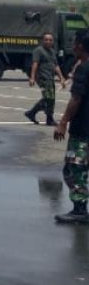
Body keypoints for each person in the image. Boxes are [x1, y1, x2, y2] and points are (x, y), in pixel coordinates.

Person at [54, 30, 89, 224]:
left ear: (81, 46)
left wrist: (62, 122)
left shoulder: (83, 68)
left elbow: (76, 99)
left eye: (75, 43)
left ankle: (79, 209)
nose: (73, 46)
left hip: (83, 131)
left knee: (73, 169)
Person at [27, 32, 67, 126]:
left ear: (53, 41)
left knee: (51, 98)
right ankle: (35, 114)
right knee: (49, 97)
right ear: (42, 40)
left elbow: (56, 65)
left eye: (50, 40)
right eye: (46, 39)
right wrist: (32, 78)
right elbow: (35, 64)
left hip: (50, 78)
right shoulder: (38, 50)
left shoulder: (52, 51)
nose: (48, 41)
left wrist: (61, 78)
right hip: (42, 78)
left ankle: (41, 116)